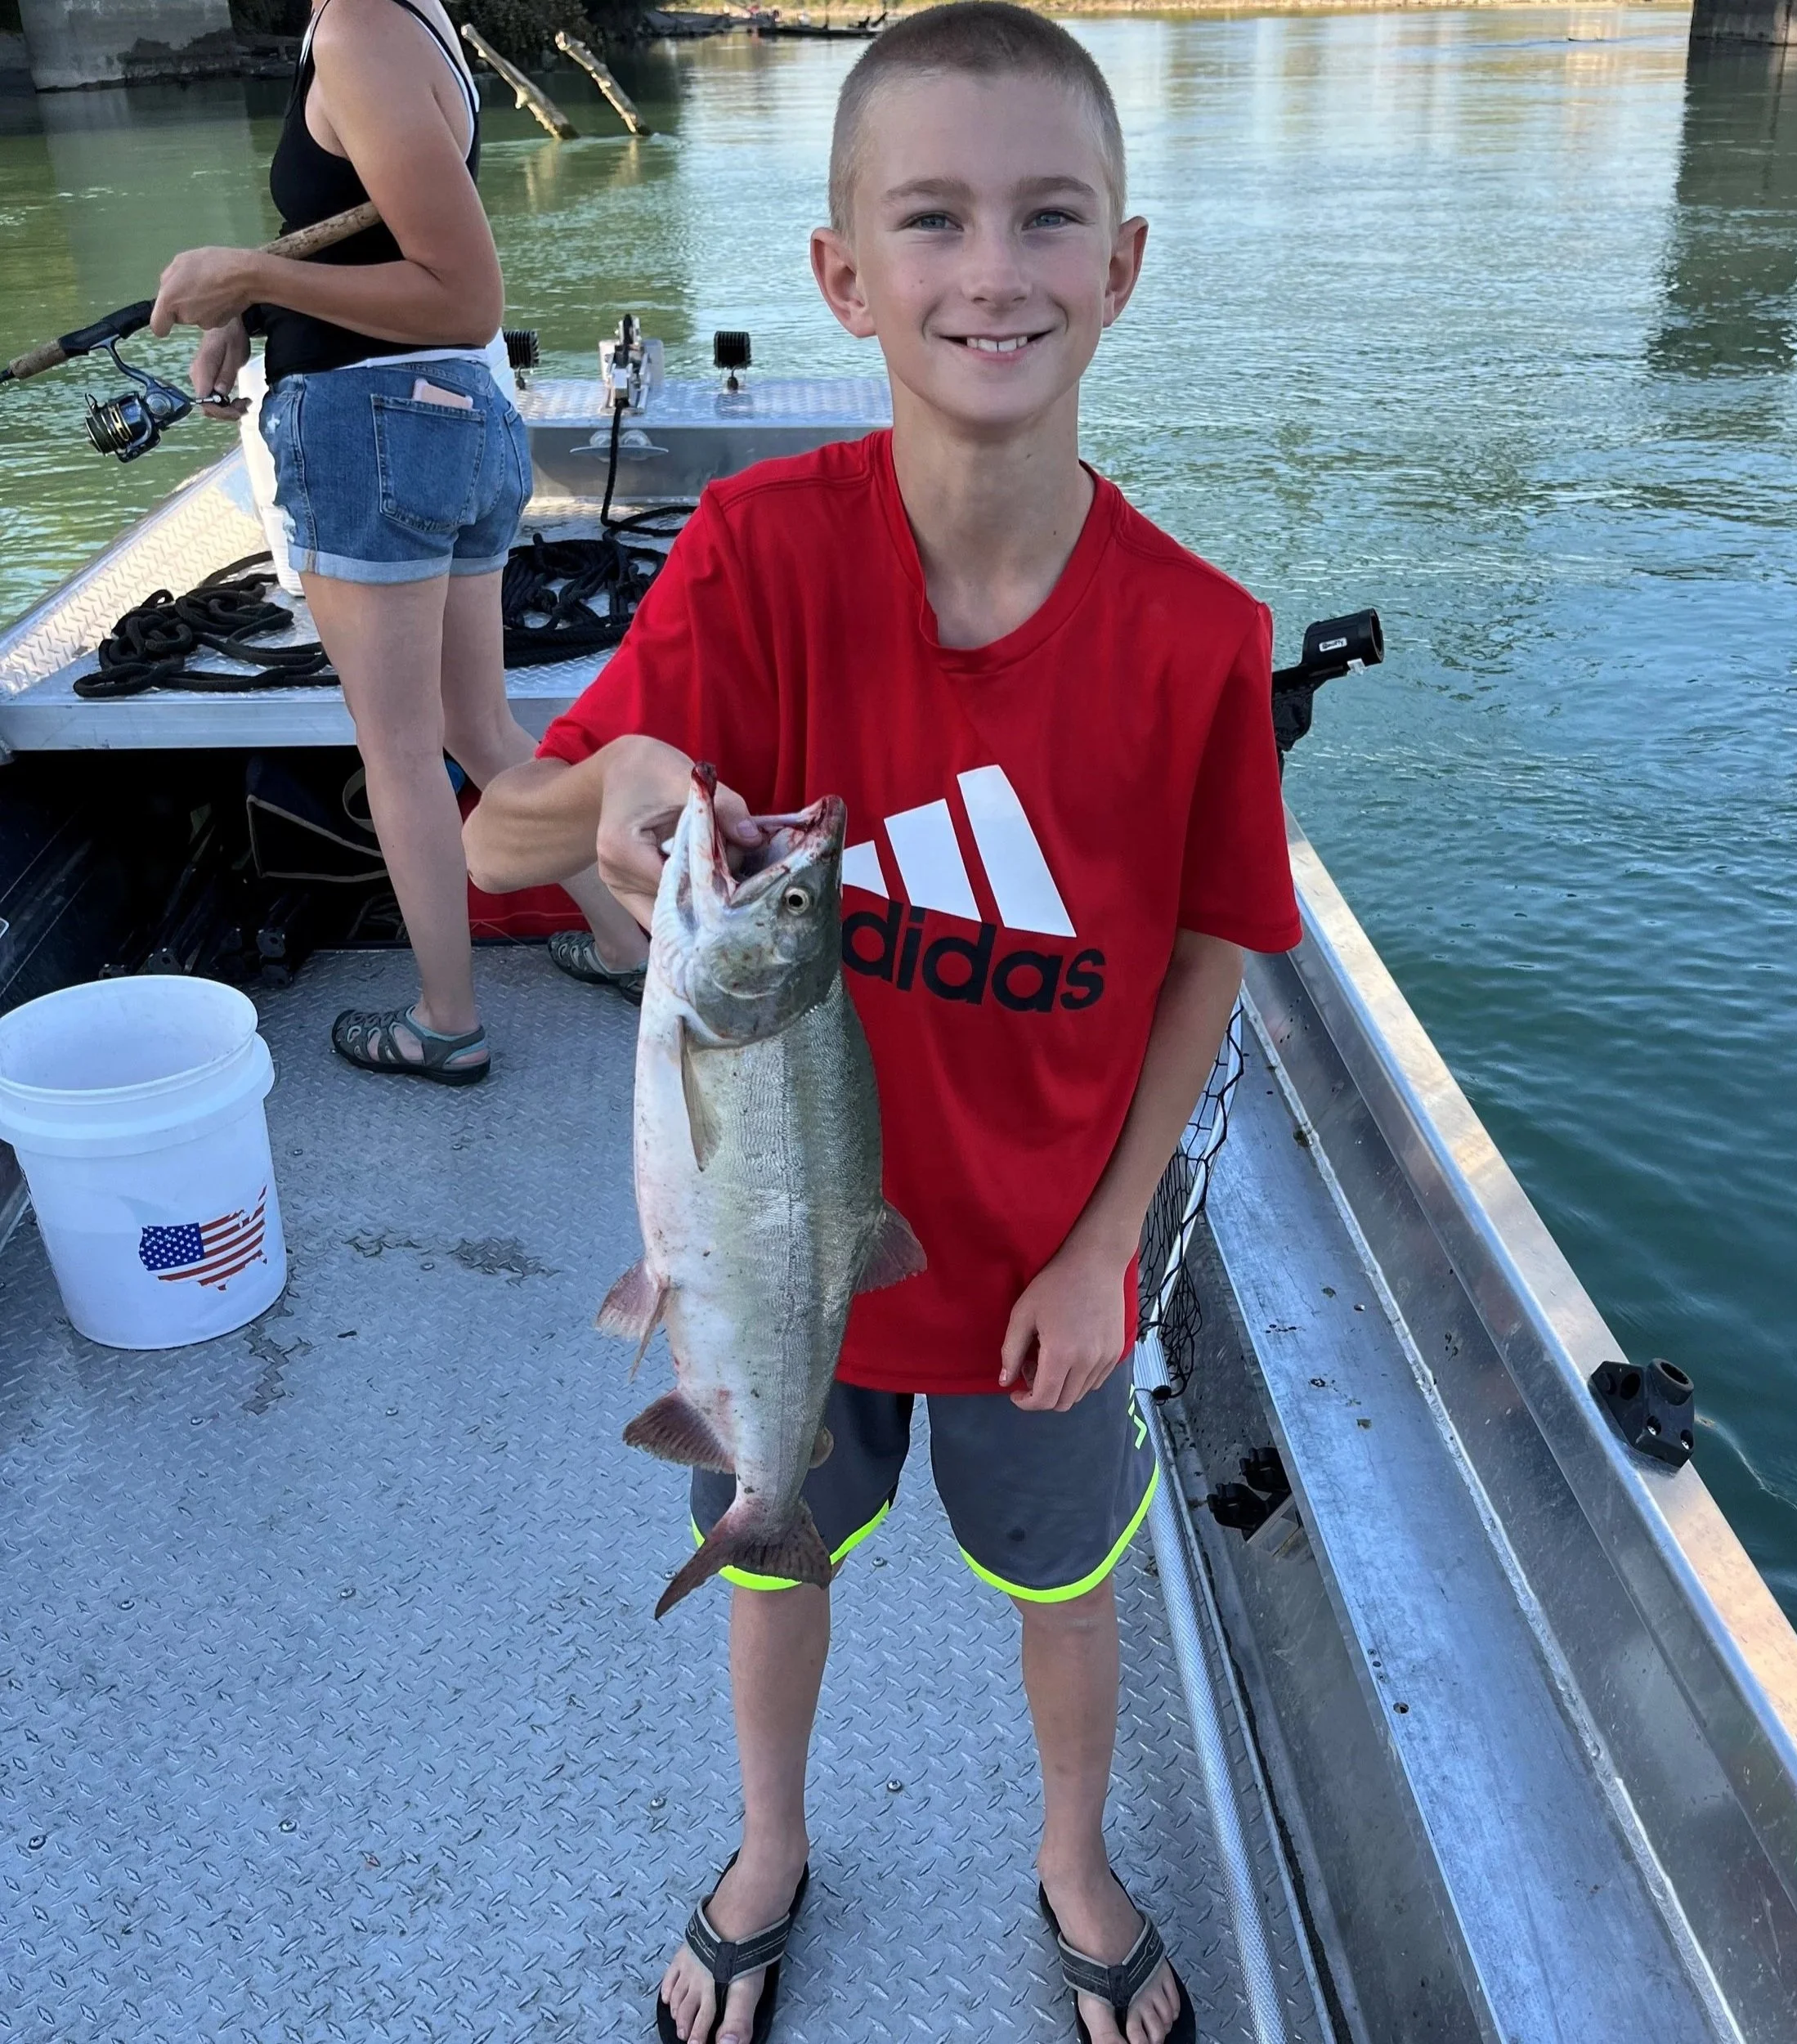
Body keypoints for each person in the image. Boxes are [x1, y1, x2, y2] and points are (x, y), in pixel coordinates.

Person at [464, 7, 1301, 2040]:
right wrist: (638, 769)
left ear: (1120, 263)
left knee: (1066, 1586)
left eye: (1046, 219)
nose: (989, 269)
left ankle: (1073, 1851)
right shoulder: (756, 560)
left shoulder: (1202, 637)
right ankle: (768, 1837)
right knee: (774, 1556)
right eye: (929, 219)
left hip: (1037, 1277)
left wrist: (1106, 1243)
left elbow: (1212, 938)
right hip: (776, 1278)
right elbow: (505, 836)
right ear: (843, 273)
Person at [147, 0, 647, 1086]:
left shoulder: (363, 28)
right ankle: (626, 940)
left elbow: (465, 294)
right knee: (476, 722)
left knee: (401, 752)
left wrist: (260, 277)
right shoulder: (411, 18)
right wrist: (254, 300)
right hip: (456, 419)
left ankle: (445, 1018)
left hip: (372, 432)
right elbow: (382, 231)